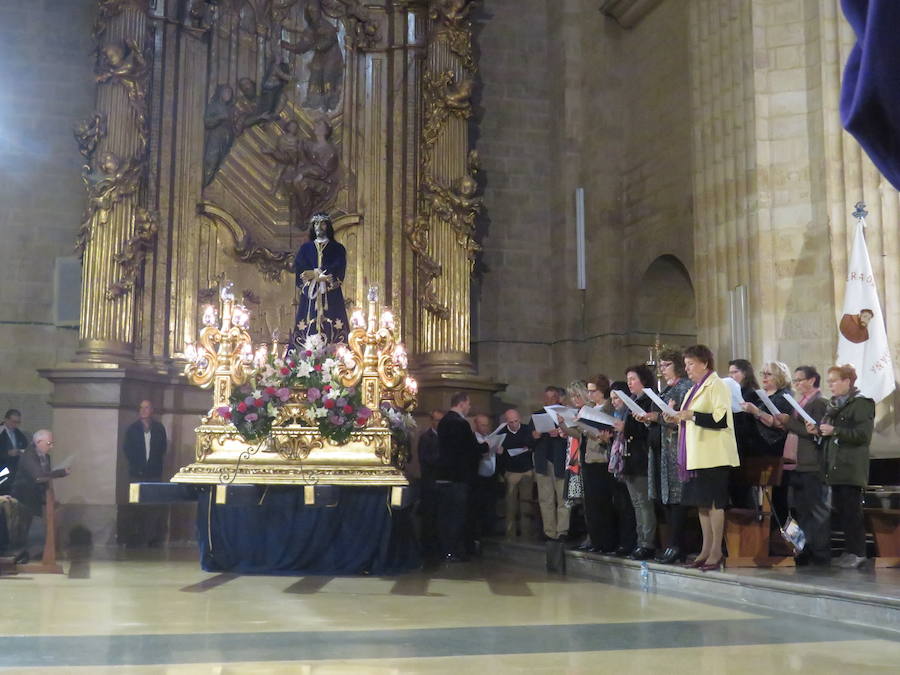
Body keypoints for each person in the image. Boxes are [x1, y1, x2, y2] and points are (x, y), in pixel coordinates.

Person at [670, 345, 740, 572]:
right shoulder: (694, 389)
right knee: (701, 504)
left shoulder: (716, 385)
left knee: (714, 503)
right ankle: (705, 549)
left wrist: (692, 415)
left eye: (691, 364)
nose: (687, 368)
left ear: (705, 364)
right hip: (698, 455)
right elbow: (690, 420)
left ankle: (716, 551)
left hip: (714, 454)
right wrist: (676, 417)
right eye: (686, 364)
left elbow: (720, 420)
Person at [807, 364, 875, 569]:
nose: (831, 386)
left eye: (834, 381)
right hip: (834, 466)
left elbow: (863, 435)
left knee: (852, 512)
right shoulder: (834, 405)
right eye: (829, 382)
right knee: (842, 513)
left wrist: (834, 430)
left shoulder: (862, 404)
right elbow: (830, 434)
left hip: (850, 466)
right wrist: (818, 431)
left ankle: (858, 552)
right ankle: (849, 550)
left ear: (847, 381)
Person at [778, 366, 830, 565]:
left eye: (801, 380)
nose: (797, 384)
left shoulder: (819, 403)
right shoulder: (801, 402)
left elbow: (814, 432)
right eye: (796, 380)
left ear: (812, 380)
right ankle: (803, 550)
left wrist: (789, 422)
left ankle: (820, 554)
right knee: (800, 512)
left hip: (812, 464)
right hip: (797, 464)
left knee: (816, 512)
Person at [649, 351, 692, 564]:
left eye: (666, 364)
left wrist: (658, 417)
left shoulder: (683, 387)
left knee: (678, 498)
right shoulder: (668, 389)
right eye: (661, 365)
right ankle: (672, 545)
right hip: (665, 448)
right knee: (667, 499)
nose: (662, 369)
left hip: (677, 448)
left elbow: (681, 418)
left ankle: (678, 546)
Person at [435, 392, 486, 561]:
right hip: (459, 477)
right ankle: (454, 551)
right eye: (468, 404)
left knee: (446, 516)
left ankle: (445, 550)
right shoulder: (460, 423)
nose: (469, 407)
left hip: (444, 475)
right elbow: (470, 450)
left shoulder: (443, 422)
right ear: (462, 403)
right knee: (457, 516)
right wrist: (487, 446)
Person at [741, 360, 794, 522]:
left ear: (779, 376)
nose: (764, 377)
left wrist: (756, 412)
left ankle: (777, 535)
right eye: (762, 373)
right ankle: (762, 533)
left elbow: (779, 423)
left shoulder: (783, 397)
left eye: (768, 374)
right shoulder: (760, 396)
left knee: (776, 499)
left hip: (773, 450)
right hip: (757, 449)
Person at [614, 365, 657, 560]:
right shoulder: (632, 401)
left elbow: (649, 431)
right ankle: (640, 542)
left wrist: (626, 428)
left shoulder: (649, 400)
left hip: (642, 457)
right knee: (636, 503)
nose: (629, 383)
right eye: (628, 379)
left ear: (644, 380)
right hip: (630, 458)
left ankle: (647, 544)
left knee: (644, 503)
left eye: (633, 379)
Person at [291, 212, 349, 348]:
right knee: (306, 327)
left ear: (328, 226)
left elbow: (339, 268)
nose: (319, 226)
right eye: (316, 223)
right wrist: (312, 278)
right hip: (310, 299)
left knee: (334, 327)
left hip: (331, 298)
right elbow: (300, 270)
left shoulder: (337, 249)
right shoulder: (305, 249)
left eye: (322, 223)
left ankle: (337, 355)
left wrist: (319, 275)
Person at [10, 430, 70, 563]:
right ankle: (22, 556)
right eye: (49, 443)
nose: (51, 446)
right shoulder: (29, 455)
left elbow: (46, 477)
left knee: (40, 526)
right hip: (24, 498)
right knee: (26, 528)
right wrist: (60, 472)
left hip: (38, 498)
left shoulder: (45, 456)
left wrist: (51, 497)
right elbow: (38, 477)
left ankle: (36, 554)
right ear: (38, 442)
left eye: (52, 443)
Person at [579, 375, 618, 553]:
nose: (589, 394)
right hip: (589, 458)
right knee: (591, 503)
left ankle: (607, 542)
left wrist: (603, 438)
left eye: (593, 390)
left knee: (604, 503)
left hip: (604, 459)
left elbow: (611, 433)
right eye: (588, 390)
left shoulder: (609, 407)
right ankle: (596, 541)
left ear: (602, 391)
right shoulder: (588, 409)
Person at [122, 400, 168, 547]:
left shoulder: (159, 429)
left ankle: (152, 537)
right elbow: (128, 450)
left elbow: (162, 449)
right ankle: (136, 537)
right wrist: (138, 466)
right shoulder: (132, 429)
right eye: (141, 408)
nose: (143, 410)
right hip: (137, 474)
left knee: (153, 506)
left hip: (153, 473)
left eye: (146, 407)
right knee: (136, 506)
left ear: (151, 410)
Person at [528, 386, 569, 541]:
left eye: (552, 397)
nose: (548, 400)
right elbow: (528, 442)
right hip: (543, 462)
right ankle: (549, 532)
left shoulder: (564, 414)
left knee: (563, 498)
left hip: (560, 461)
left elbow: (574, 437)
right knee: (546, 499)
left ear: (557, 399)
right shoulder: (537, 415)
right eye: (546, 398)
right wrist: (534, 436)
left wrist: (560, 434)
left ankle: (562, 531)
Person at [608, 381, 638, 556]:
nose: (613, 402)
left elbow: (634, 434)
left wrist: (624, 428)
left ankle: (631, 543)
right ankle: (624, 542)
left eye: (616, 398)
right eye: (611, 398)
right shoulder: (617, 413)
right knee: (621, 505)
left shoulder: (629, 413)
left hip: (630, 462)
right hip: (618, 463)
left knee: (631, 506)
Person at [497, 408, 534, 539]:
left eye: (516, 421)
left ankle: (526, 534)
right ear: (506, 422)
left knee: (526, 504)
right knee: (510, 506)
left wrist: (528, 447)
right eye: (510, 422)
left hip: (527, 470)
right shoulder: (502, 434)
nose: (514, 424)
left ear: (520, 419)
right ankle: (510, 535)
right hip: (511, 472)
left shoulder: (527, 429)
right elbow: (500, 456)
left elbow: (532, 445)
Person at [416, 410, 443, 559]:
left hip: (441, 482)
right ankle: (428, 550)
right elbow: (426, 460)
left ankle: (438, 547)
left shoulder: (444, 437)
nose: (439, 424)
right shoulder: (426, 438)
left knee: (439, 517)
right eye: (437, 421)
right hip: (430, 482)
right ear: (431, 421)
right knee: (429, 517)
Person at [471, 414, 499, 547]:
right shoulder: (473, 439)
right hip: (478, 479)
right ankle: (478, 536)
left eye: (487, 424)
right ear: (476, 425)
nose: (486, 427)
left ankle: (489, 532)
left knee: (490, 506)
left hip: (491, 478)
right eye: (482, 424)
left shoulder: (490, 438)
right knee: (478, 509)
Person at [0, 409, 28, 496]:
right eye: (13, 421)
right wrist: (7, 453)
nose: (15, 425)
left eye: (18, 422)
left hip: (13, 470)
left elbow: (25, 445)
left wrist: (21, 451)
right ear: (6, 420)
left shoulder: (18, 433)